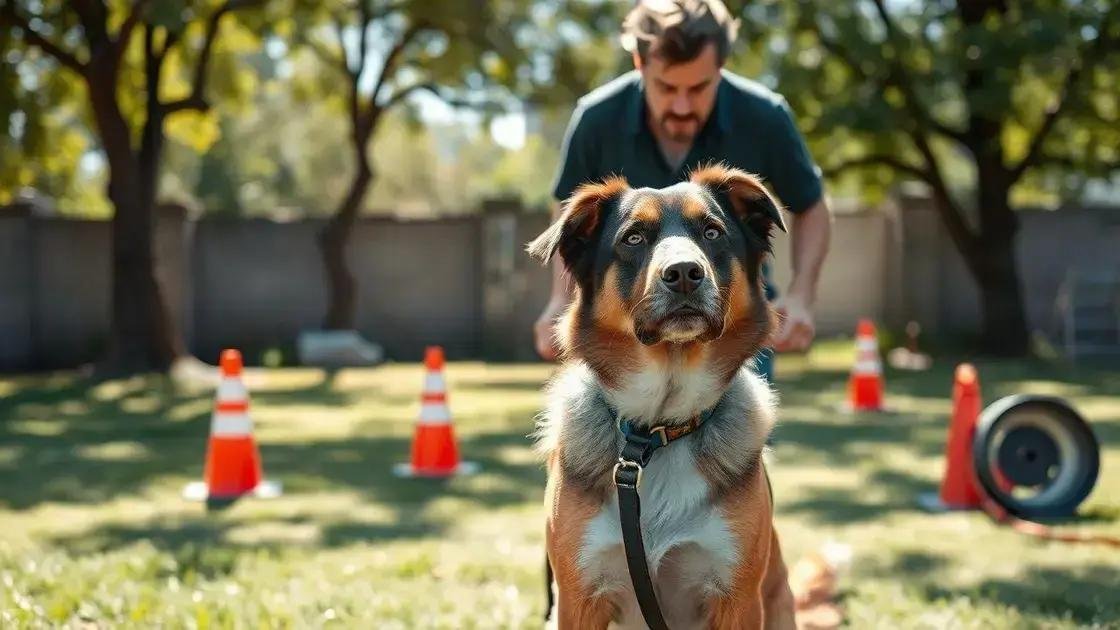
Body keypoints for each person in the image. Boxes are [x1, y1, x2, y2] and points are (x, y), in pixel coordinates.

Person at [533, 0, 831, 381]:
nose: (681, 104)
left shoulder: (765, 117)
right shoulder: (596, 119)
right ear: (640, 65)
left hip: (730, 322)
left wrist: (802, 294)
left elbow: (811, 205)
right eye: (666, 86)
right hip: (630, 330)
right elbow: (571, 222)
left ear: (721, 67)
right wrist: (560, 300)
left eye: (699, 87)